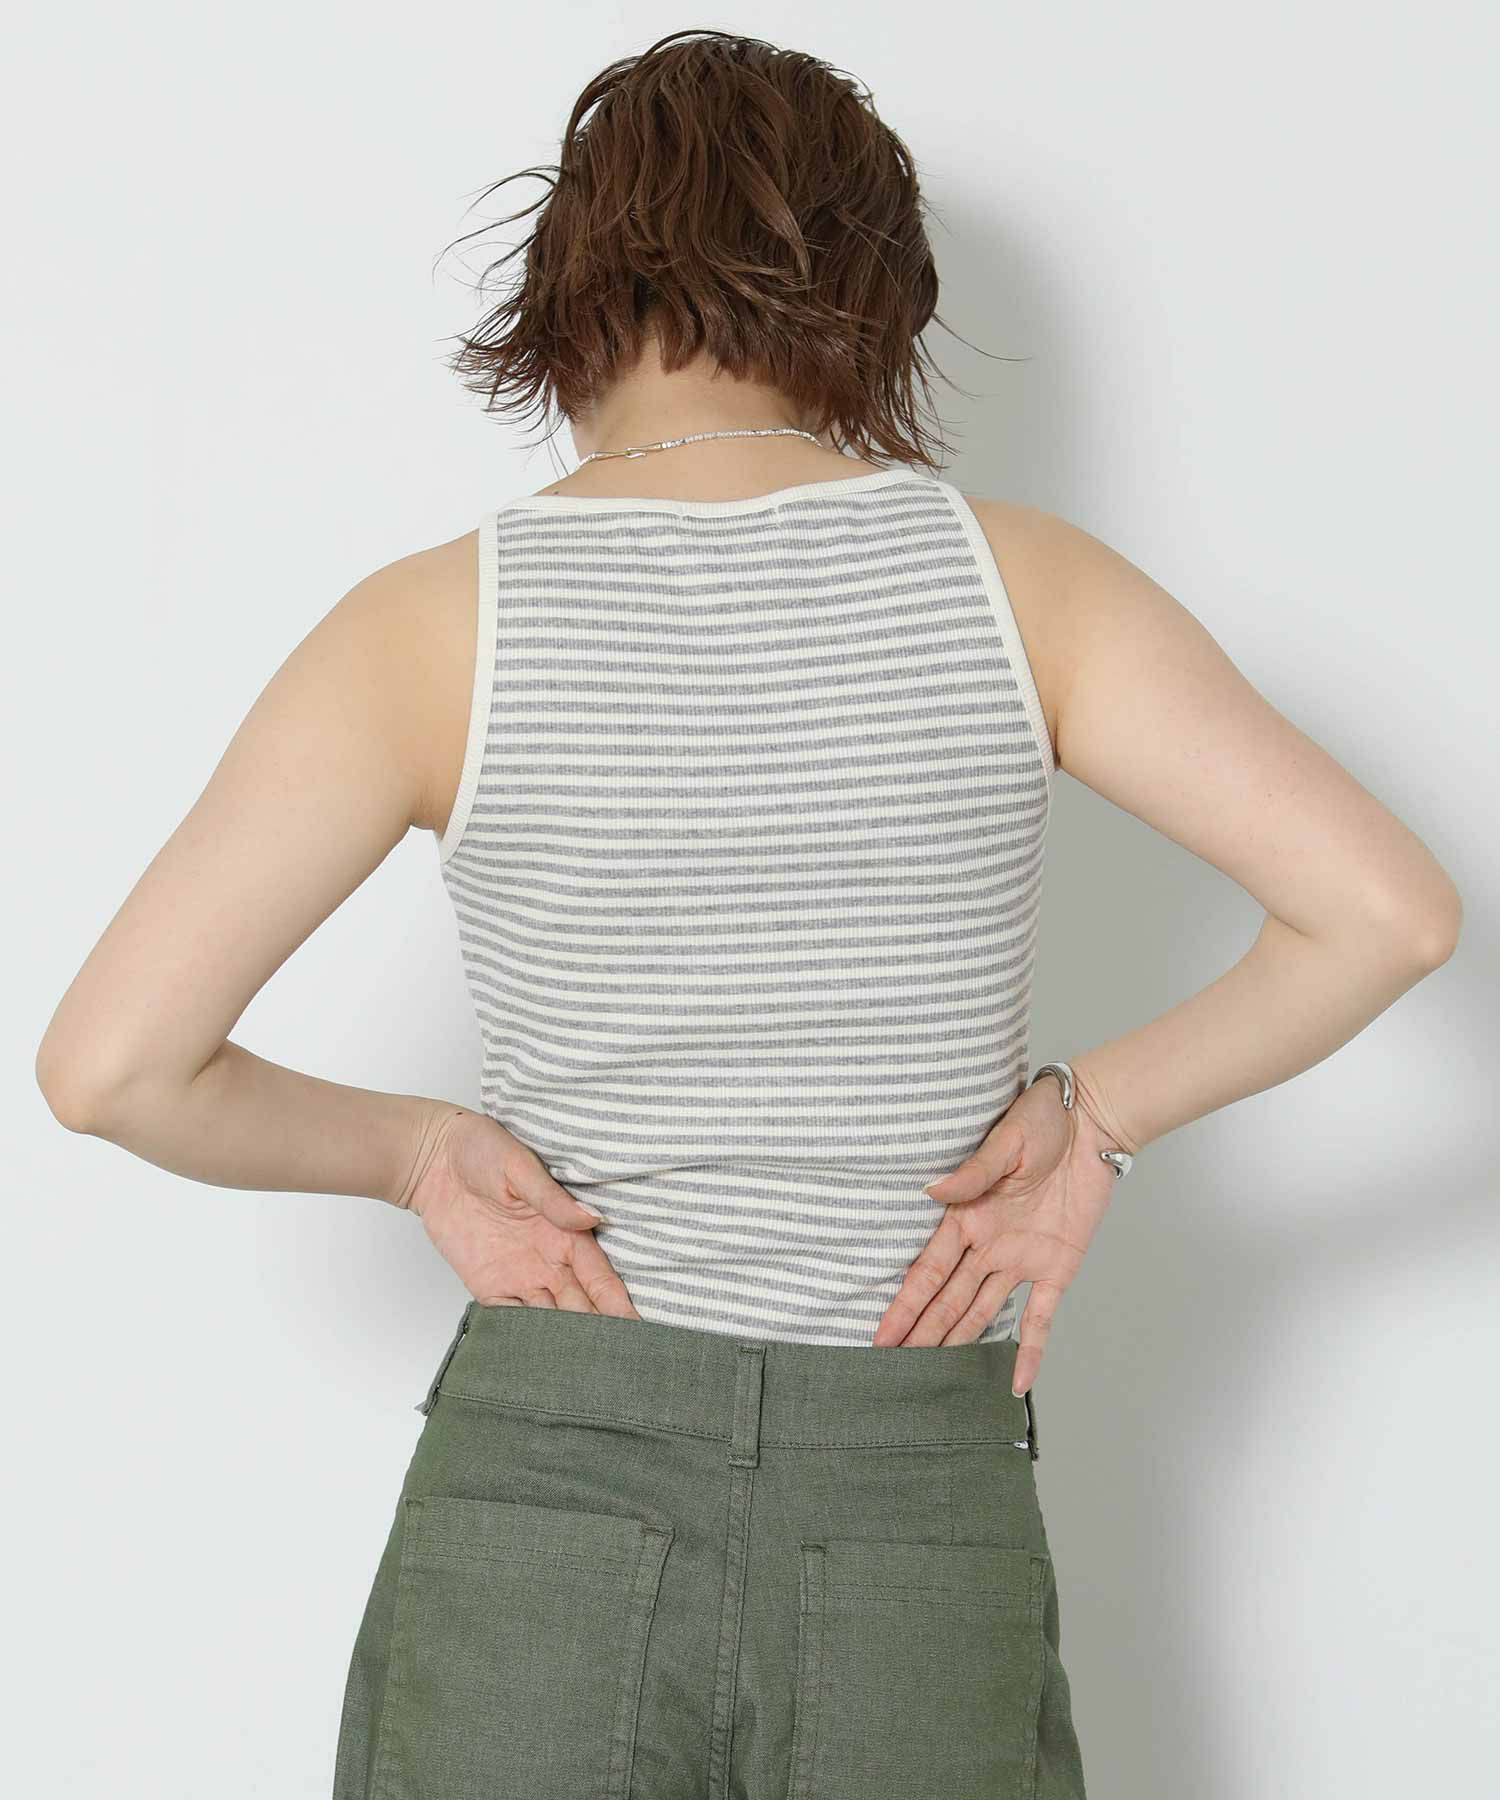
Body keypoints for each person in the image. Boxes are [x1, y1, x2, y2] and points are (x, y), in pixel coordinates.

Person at [34, 27, 1461, 1800]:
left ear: (569, 281)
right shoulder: (1024, 590)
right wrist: (1098, 1116)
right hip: (908, 1483)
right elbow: (1385, 914)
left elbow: (113, 1068)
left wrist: (415, 1157)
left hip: (550, 1472)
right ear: (869, 289)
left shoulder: (430, 626)